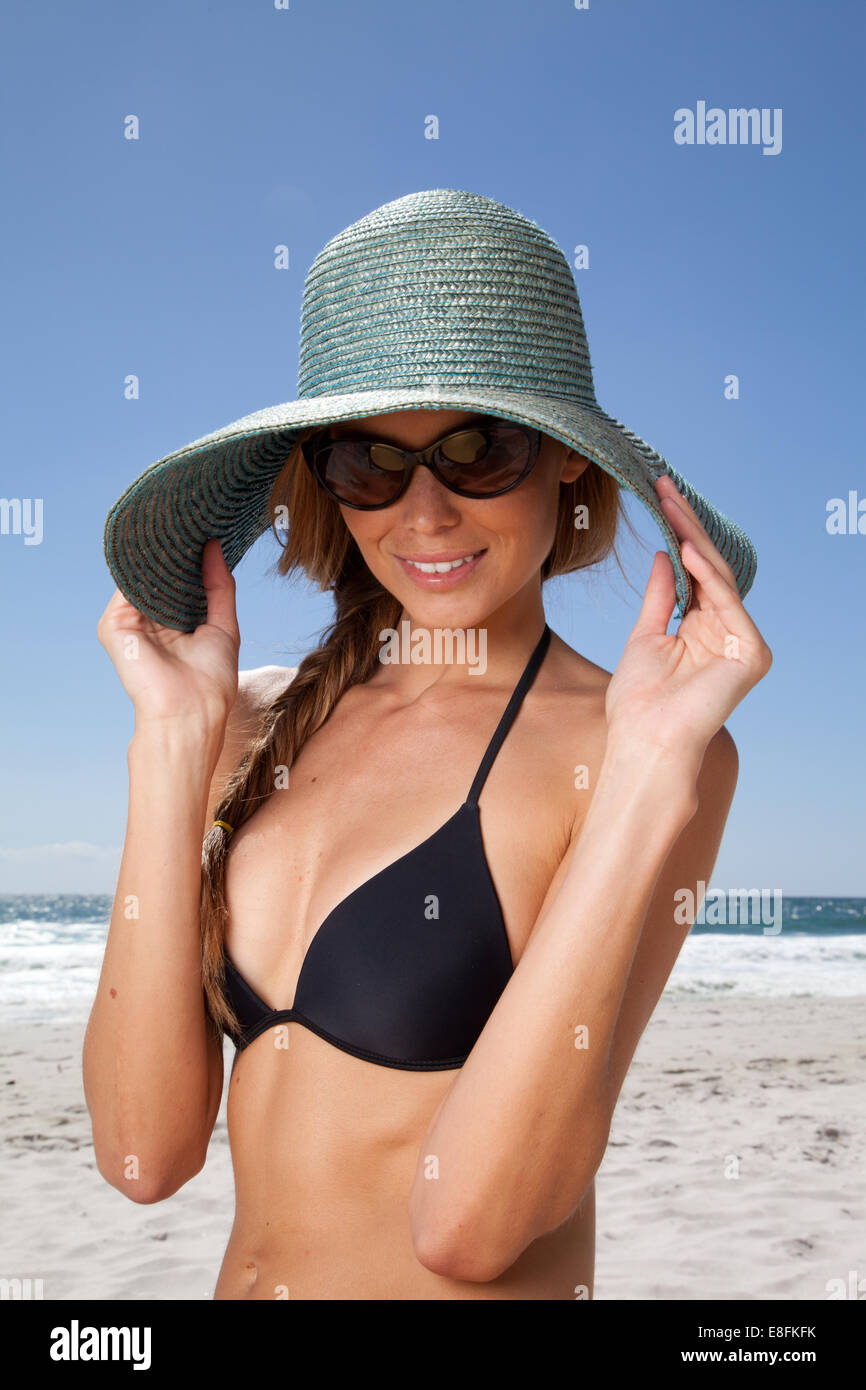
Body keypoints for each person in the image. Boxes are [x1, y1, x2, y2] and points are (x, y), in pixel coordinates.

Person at [85, 190, 770, 1299]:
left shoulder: (638, 752)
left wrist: (649, 775)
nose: (426, 512)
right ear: (326, 485)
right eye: (370, 463)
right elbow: (141, 1155)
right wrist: (168, 745)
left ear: (564, 461)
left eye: (476, 450)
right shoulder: (250, 726)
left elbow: (473, 1224)